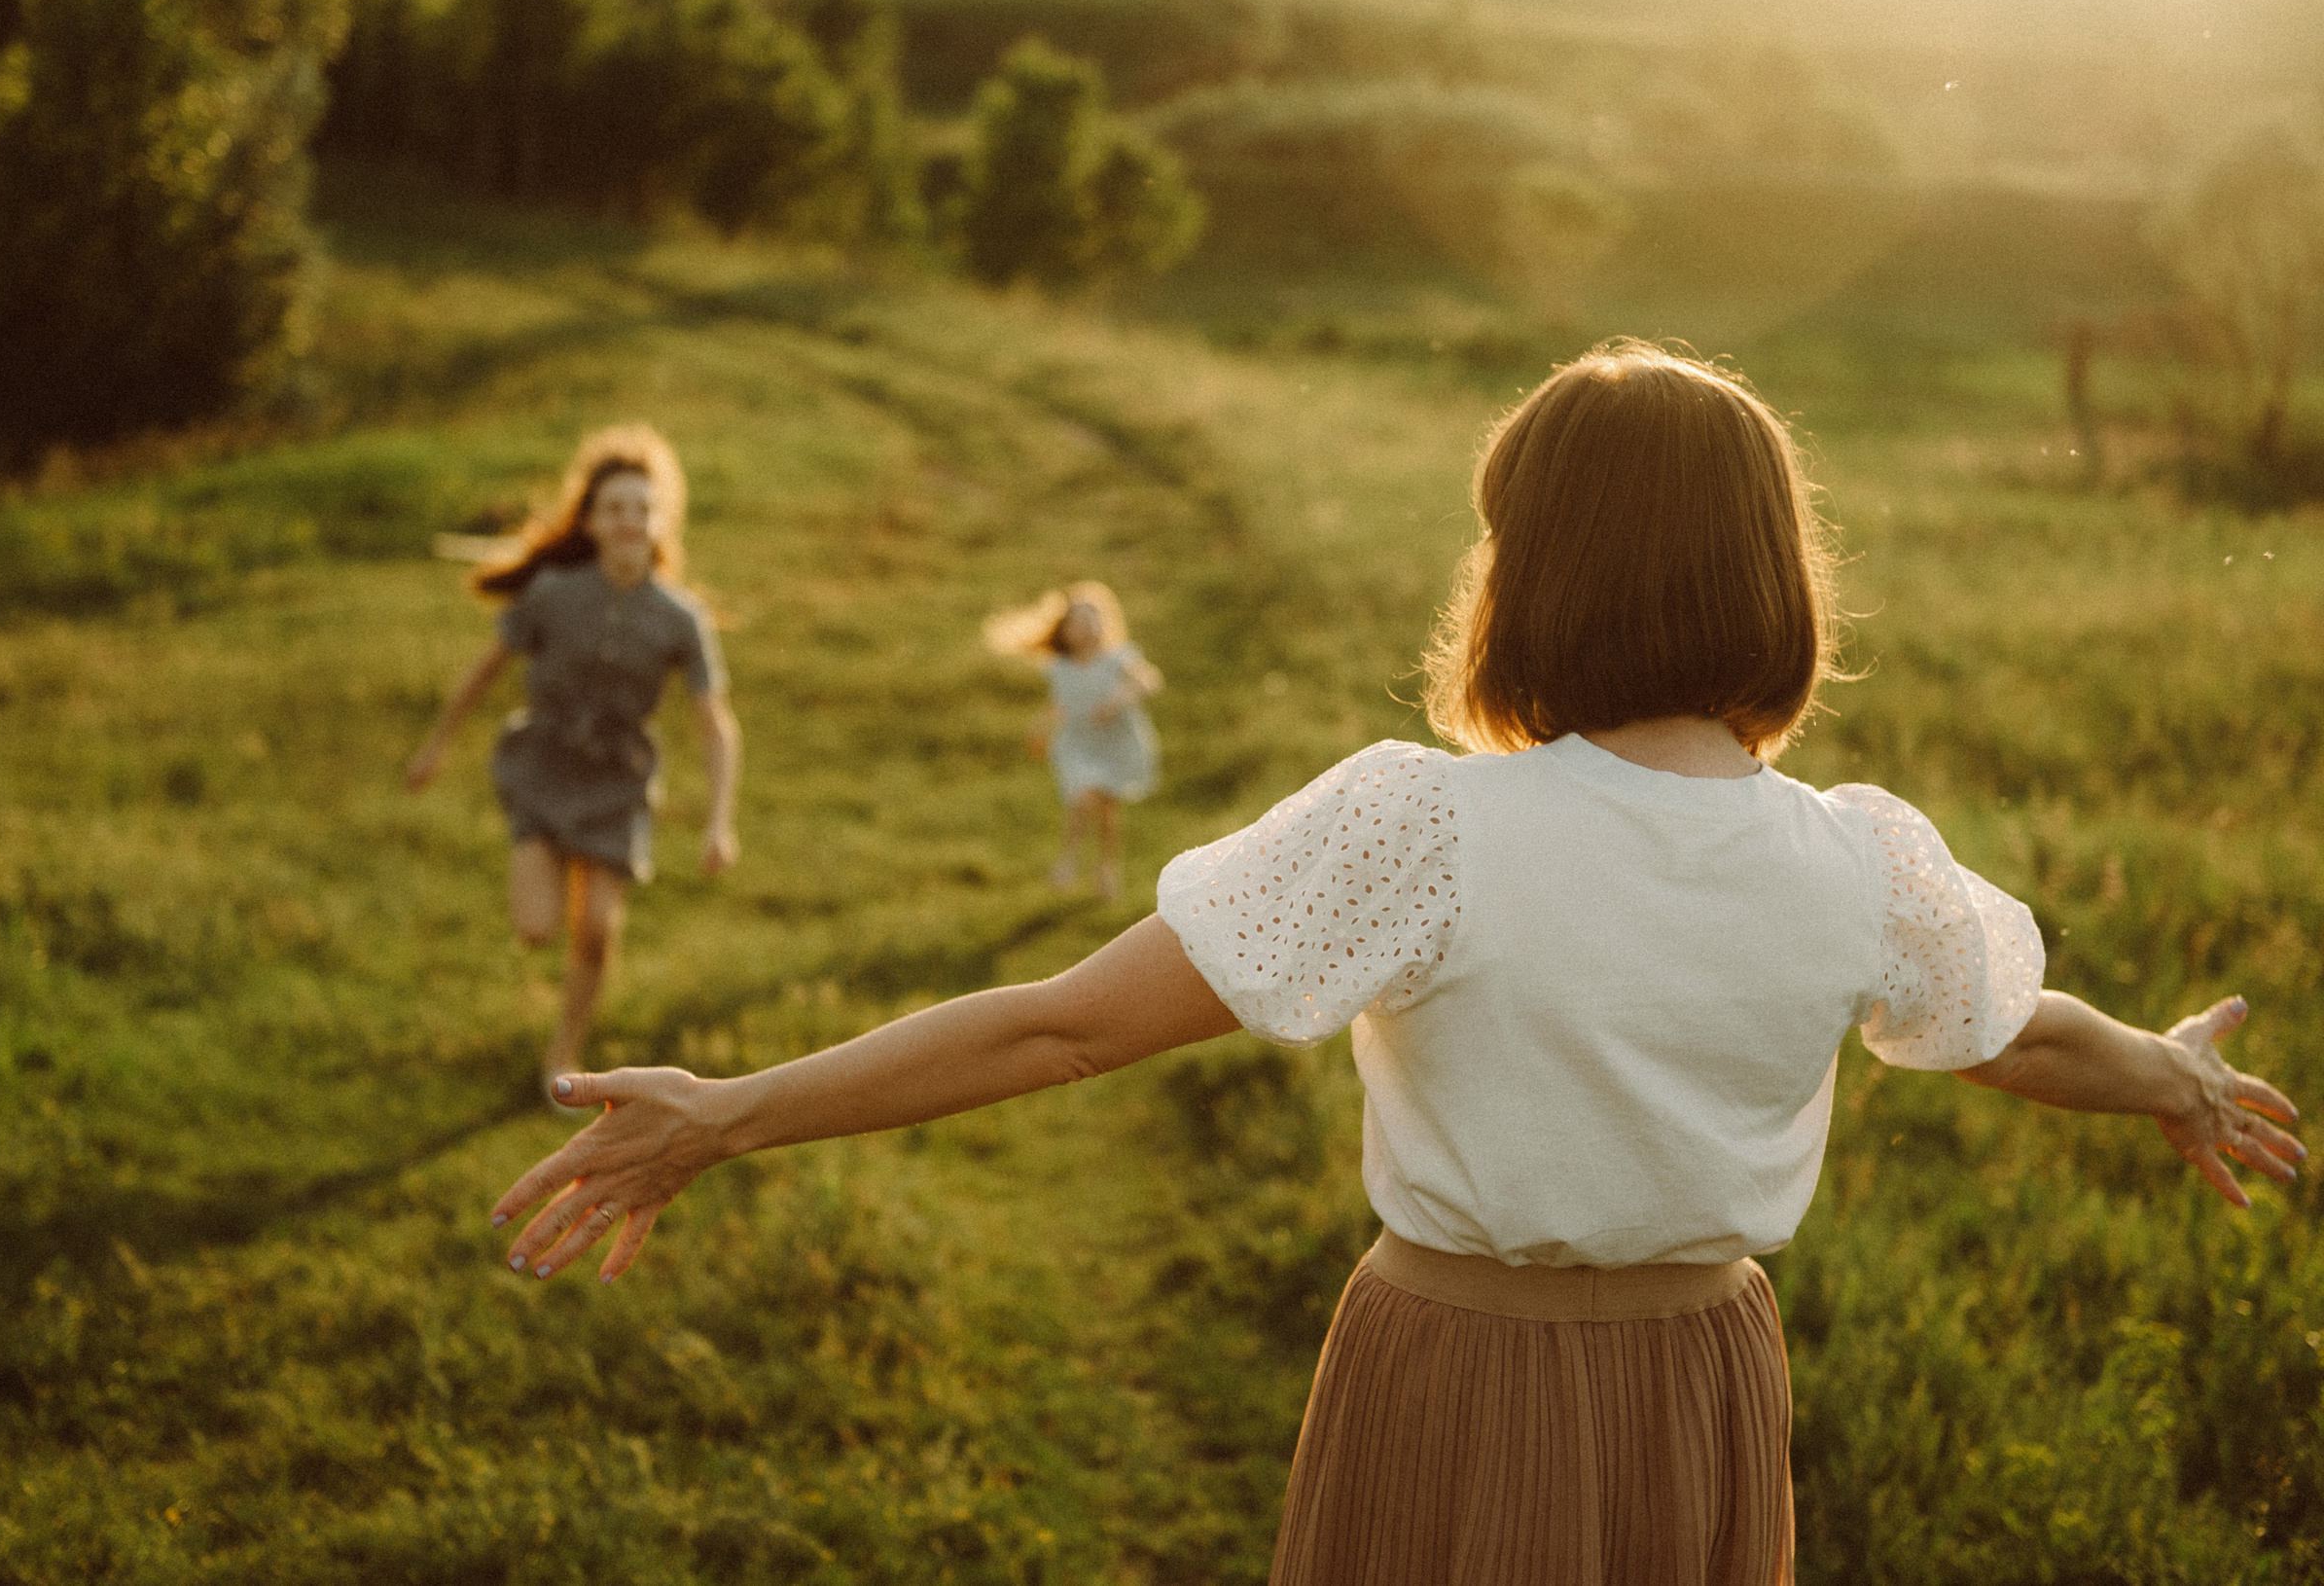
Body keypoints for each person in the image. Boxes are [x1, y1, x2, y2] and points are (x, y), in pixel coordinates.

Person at [489, 345, 2301, 1582]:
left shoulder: (1427, 828)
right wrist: (2172, 1072)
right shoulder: (1854, 859)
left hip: (1457, 1367)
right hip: (1707, 1392)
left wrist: (728, 1113)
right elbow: (2010, 1033)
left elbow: (1057, 1032)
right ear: (1771, 578)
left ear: (1534, 580)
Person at [406, 424, 739, 1094]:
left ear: (661, 521)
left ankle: (563, 1054)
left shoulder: (681, 619)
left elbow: (715, 724)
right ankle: (542, 865)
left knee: (594, 928)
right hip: (542, 767)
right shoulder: (553, 594)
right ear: (589, 520)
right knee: (536, 929)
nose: (628, 520)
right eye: (614, 507)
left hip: (618, 781)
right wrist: (437, 741)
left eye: (642, 508)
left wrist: (719, 820)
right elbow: (486, 669)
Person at [982, 580, 1164, 899]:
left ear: (1106, 623)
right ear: (1065, 630)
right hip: (1078, 744)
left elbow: (1149, 681)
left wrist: (1119, 698)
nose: (1087, 627)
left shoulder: (1118, 658)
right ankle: (1068, 861)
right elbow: (1059, 704)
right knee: (1080, 798)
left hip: (1114, 743)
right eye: (1078, 622)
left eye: (1094, 618)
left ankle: (1106, 867)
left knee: (1106, 809)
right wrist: (1040, 730)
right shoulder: (1061, 668)